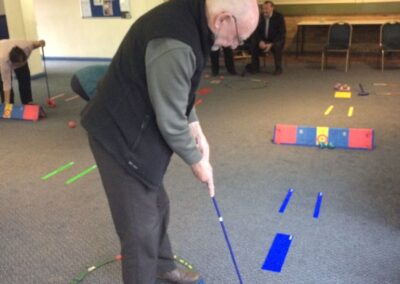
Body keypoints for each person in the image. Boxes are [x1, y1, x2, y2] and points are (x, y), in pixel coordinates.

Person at [80, 0, 259, 283]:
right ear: (223, 19)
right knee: (139, 231)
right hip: (117, 134)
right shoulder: (175, 42)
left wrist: (195, 123)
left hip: (138, 126)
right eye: (239, 37)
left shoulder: (197, 18)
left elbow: (179, 88)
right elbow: (170, 121)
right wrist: (197, 161)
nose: (236, 45)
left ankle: (163, 267)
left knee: (158, 205)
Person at [0, 39, 46, 104]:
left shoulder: (27, 46)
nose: (21, 64)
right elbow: (7, 84)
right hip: (2, 52)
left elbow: (35, 44)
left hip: (8, 47)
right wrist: (7, 101)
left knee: (25, 78)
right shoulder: (3, 61)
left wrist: (41, 43)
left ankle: (27, 102)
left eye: (22, 62)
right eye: (19, 63)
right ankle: (8, 106)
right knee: (4, 82)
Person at [246, 1, 286, 75]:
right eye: (263, 8)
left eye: (267, 8)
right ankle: (255, 67)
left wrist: (271, 44)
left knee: (277, 45)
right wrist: (260, 41)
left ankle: (278, 68)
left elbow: (281, 33)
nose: (264, 11)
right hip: (263, 40)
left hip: (274, 40)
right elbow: (256, 32)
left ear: (272, 8)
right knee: (253, 43)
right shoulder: (260, 17)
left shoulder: (279, 17)